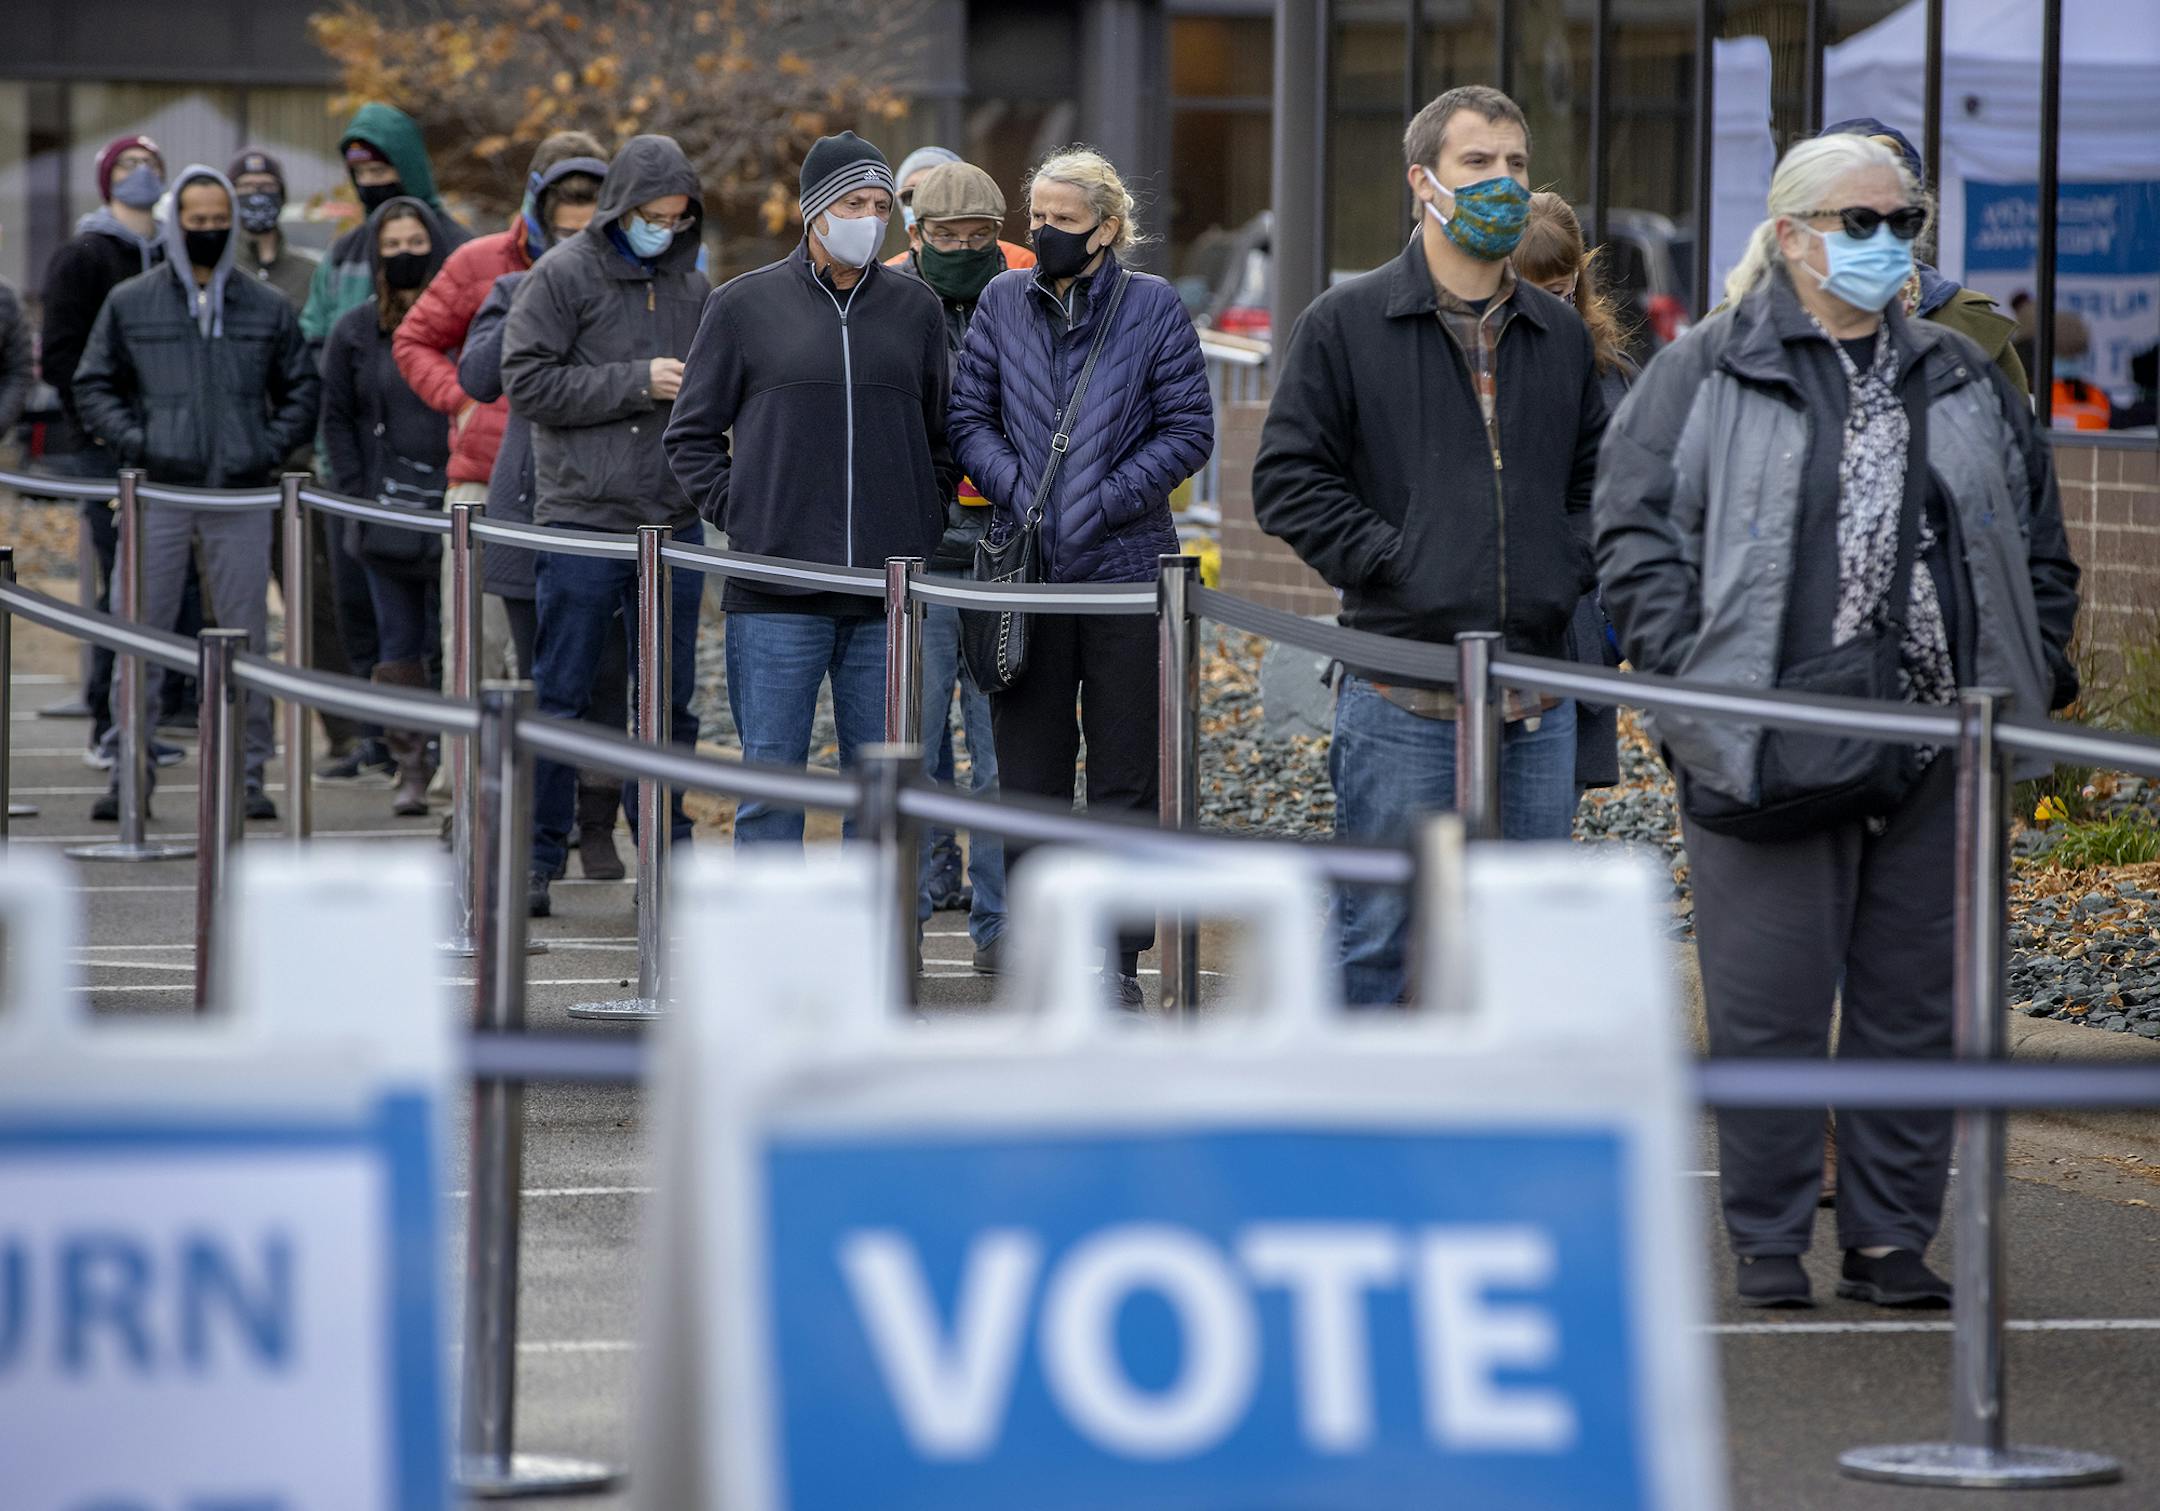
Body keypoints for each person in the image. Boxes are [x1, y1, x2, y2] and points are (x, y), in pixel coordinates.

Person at [1595, 133, 2080, 1309]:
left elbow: (2034, 538)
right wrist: (1689, 672)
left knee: (1915, 1005)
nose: (1887, 243)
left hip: (1938, 742)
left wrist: (2032, 660)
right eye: (1860, 221)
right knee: (1769, 1005)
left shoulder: (1962, 374)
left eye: (1902, 220)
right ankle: (1767, 1239)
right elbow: (1631, 529)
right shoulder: (1708, 367)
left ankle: (1888, 1240)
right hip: (1761, 736)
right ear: (1796, 233)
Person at [1251, 85, 1607, 1007]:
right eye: (1477, 163)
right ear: (1423, 181)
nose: (1503, 182)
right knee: (1377, 940)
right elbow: (1288, 481)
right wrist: (1398, 561)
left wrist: (1562, 565)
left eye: (1516, 165)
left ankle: (1505, 1146)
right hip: (1399, 694)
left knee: (1529, 950)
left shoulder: (1558, 334)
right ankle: (1365, 1144)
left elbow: (1596, 486)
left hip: (1536, 695)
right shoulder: (1345, 323)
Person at [948, 145, 1213, 1008]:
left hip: (1126, 571)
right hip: (1027, 572)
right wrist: (1024, 492)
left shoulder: (1155, 308)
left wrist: (1104, 499)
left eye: (1063, 220)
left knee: (1127, 774)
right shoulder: (998, 300)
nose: (1045, 233)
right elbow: (969, 416)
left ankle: (1118, 959)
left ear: (1107, 226)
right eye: (1039, 219)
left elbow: (1187, 430)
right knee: (1029, 772)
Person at [666, 131, 954, 857]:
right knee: (772, 788)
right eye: (855, 202)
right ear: (816, 211)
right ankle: (771, 963)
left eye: (882, 205)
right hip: (777, 589)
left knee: (882, 791)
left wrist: (923, 513)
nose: (869, 217)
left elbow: (942, 436)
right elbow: (690, 437)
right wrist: (751, 516)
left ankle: (873, 954)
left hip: (885, 594)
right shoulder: (741, 306)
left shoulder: (916, 310)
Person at [394, 132, 626, 869]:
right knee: (493, 665)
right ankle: (488, 818)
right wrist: (457, 403)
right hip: (500, 485)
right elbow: (448, 354)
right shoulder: (486, 266)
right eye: (564, 208)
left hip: (599, 496)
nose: (577, 224)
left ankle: (591, 822)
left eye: (591, 207)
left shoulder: (637, 273)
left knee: (604, 675)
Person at [73, 164, 319, 823]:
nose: (207, 231)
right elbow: (92, 383)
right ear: (175, 221)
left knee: (244, 638)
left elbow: (302, 388)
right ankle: (130, 769)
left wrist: (262, 448)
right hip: (158, 491)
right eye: (196, 220)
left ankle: (248, 773)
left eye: (219, 221)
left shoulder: (265, 306)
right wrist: (141, 442)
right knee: (140, 635)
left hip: (240, 495)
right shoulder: (132, 300)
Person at [503, 135, 709, 917]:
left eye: (676, 215)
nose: (663, 225)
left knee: (670, 703)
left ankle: (666, 853)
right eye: (651, 214)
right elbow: (524, 381)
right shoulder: (561, 275)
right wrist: (636, 383)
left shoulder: (695, 286)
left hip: (672, 519)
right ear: (621, 208)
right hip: (583, 518)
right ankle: (536, 856)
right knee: (561, 694)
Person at [301, 104, 465, 788]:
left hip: (448, 487)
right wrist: (350, 483)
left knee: (447, 632)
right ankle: (390, 746)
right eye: (358, 170)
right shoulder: (344, 258)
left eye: (381, 167)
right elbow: (324, 372)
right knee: (368, 620)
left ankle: (449, 753)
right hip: (367, 486)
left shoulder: (460, 248)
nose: (370, 181)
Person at [889, 159, 1019, 972]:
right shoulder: (892, 301)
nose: (967, 248)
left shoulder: (1029, 292)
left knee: (1002, 749)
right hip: (923, 545)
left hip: (1008, 546)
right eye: (949, 235)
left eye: (981, 234)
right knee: (908, 738)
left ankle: (1001, 930)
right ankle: (901, 917)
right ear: (918, 233)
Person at [458, 268, 628, 881]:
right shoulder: (511, 286)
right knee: (543, 683)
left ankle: (597, 824)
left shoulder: (640, 285)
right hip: (529, 505)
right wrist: (534, 299)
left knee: (611, 682)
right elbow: (477, 376)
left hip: (612, 502)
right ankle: (537, 838)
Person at [36, 134, 177, 759]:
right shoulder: (84, 255)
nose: (139, 174)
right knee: (119, 585)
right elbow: (61, 356)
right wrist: (97, 422)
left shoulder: (174, 255)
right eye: (126, 164)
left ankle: (149, 722)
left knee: (165, 588)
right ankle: (108, 723)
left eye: (149, 165)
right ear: (106, 179)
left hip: (167, 444)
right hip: (105, 445)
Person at [320, 198, 455, 818]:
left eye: (416, 242)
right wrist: (356, 495)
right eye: (392, 244)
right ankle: (410, 766)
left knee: (450, 640)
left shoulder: (464, 320)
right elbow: (337, 420)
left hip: (452, 500)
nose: (406, 254)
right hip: (383, 509)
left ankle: (458, 759)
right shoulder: (353, 330)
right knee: (397, 642)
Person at [1512, 191, 1635, 795]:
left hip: (1577, 635)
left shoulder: (1606, 371)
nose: (1550, 314)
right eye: (1535, 295)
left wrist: (1615, 628)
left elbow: (1631, 508)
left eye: (1562, 294)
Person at [1820, 119, 2026, 396]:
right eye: (1857, 218)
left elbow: (2012, 436)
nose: (1880, 235)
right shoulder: (1762, 325)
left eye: (1900, 218)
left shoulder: (1970, 328)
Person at [887, 143, 1038, 272]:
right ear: (916, 235)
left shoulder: (1021, 265)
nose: (964, 249)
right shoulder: (890, 280)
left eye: (940, 191)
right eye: (910, 195)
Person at [229, 148, 319, 307]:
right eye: (246, 186)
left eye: (267, 186)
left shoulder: (310, 273)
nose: (257, 195)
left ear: (282, 196)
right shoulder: (221, 266)